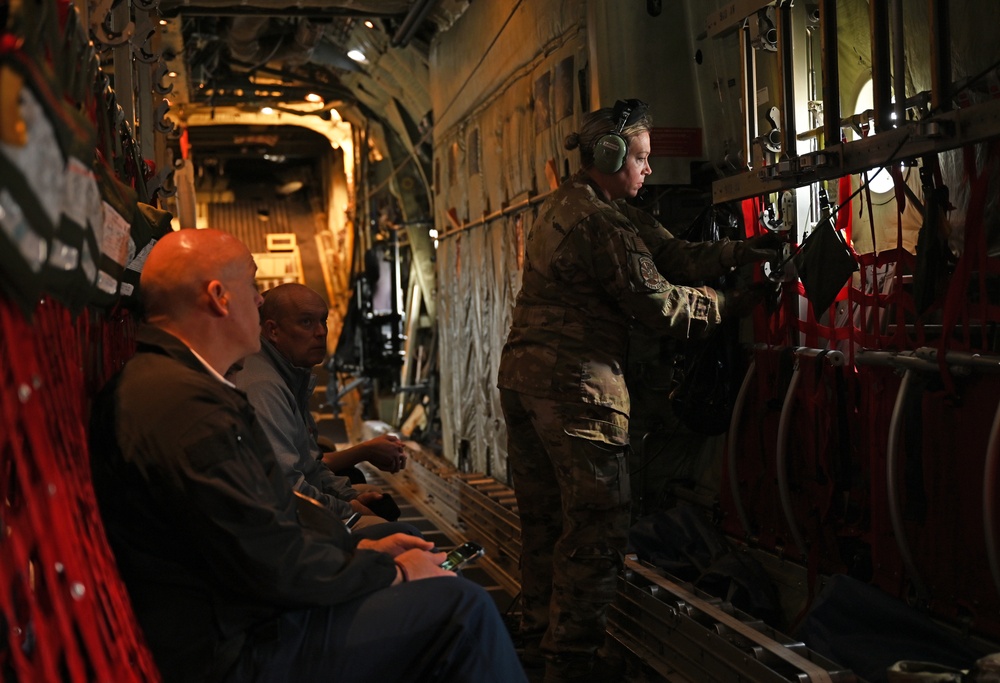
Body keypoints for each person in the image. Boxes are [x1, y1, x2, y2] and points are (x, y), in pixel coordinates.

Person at [89, 228, 527, 683]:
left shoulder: (176, 385)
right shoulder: (186, 408)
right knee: (463, 610)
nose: (260, 303)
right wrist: (388, 571)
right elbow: (268, 561)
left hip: (238, 617)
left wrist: (359, 548)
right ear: (219, 297)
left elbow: (260, 527)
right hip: (234, 649)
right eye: (252, 287)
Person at [496, 99, 779, 683]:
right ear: (611, 155)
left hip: (524, 384)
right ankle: (570, 664)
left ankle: (532, 640)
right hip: (576, 393)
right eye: (643, 158)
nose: (650, 170)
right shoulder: (600, 224)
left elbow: (672, 252)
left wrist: (741, 252)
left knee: (546, 522)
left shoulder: (580, 204)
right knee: (597, 531)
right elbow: (664, 307)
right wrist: (735, 304)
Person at [228, 282, 407, 530]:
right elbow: (287, 488)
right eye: (306, 322)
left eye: (323, 321)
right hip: (285, 523)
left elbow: (309, 463)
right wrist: (350, 509)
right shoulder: (264, 387)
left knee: (375, 498)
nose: (321, 332)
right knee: (395, 532)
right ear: (273, 331)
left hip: (300, 505)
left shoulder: (289, 375)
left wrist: (347, 496)